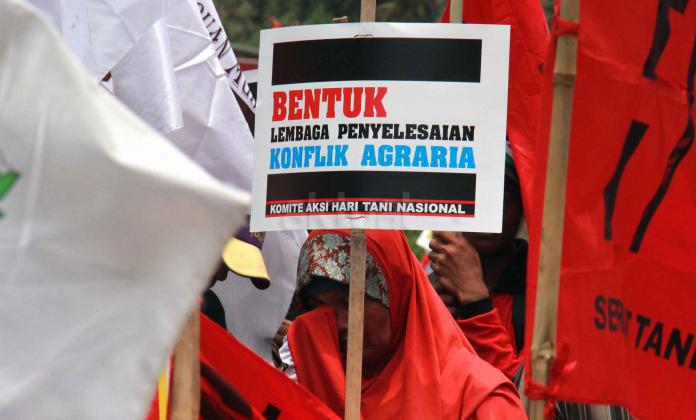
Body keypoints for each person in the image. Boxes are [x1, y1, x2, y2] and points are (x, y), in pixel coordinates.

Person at [428, 151, 631, 420]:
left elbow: (526, 405)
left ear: (524, 206)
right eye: (476, 191)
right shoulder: (425, 288)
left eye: (505, 195)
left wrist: (476, 305)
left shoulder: (550, 293)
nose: (491, 209)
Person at [279, 229, 526, 419]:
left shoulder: (476, 399)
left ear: (397, 295)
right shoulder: (310, 391)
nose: (340, 323)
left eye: (352, 301)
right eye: (319, 308)